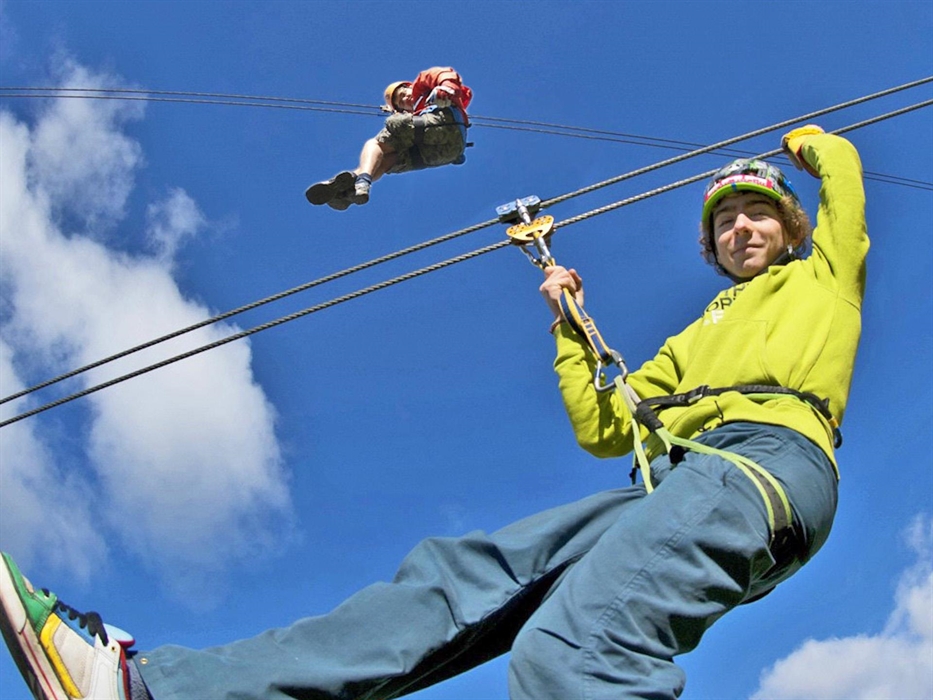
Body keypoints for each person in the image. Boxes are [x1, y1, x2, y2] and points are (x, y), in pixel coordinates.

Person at [0, 125, 867, 699]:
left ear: (791, 227)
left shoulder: (821, 276)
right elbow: (606, 429)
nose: (739, 228)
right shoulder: (689, 340)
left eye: (757, 213)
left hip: (765, 464)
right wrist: (568, 327)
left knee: (579, 647)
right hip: (677, 481)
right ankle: (155, 691)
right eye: (724, 220)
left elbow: (846, 191)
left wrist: (810, 144)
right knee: (465, 580)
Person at [305, 66, 473, 210]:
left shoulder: (425, 89)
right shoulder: (414, 114)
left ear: (410, 86)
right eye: (401, 101)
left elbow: (443, 73)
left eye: (404, 93)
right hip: (443, 152)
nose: (405, 98)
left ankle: (360, 178)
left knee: (380, 139)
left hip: (445, 123)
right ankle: (351, 188)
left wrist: (446, 88)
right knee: (389, 159)